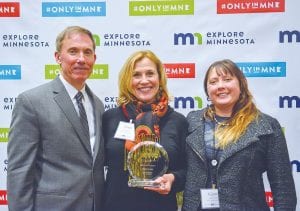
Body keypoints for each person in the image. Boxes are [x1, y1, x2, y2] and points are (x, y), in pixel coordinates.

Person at [7, 26, 105, 211]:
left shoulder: (98, 105)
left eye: (87, 52)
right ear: (58, 57)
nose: (81, 59)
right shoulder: (31, 102)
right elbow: (20, 170)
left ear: (94, 59)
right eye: (73, 51)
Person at [183, 59, 297, 211]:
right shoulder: (192, 121)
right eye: (213, 81)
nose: (221, 86)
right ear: (207, 90)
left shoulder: (266, 126)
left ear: (241, 84)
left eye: (227, 79)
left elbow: (283, 188)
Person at [102, 50, 188, 211]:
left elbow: (189, 170)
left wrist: (172, 179)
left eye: (150, 74)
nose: (144, 81)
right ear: (127, 80)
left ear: (159, 78)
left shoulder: (178, 121)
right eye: (136, 75)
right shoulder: (110, 118)